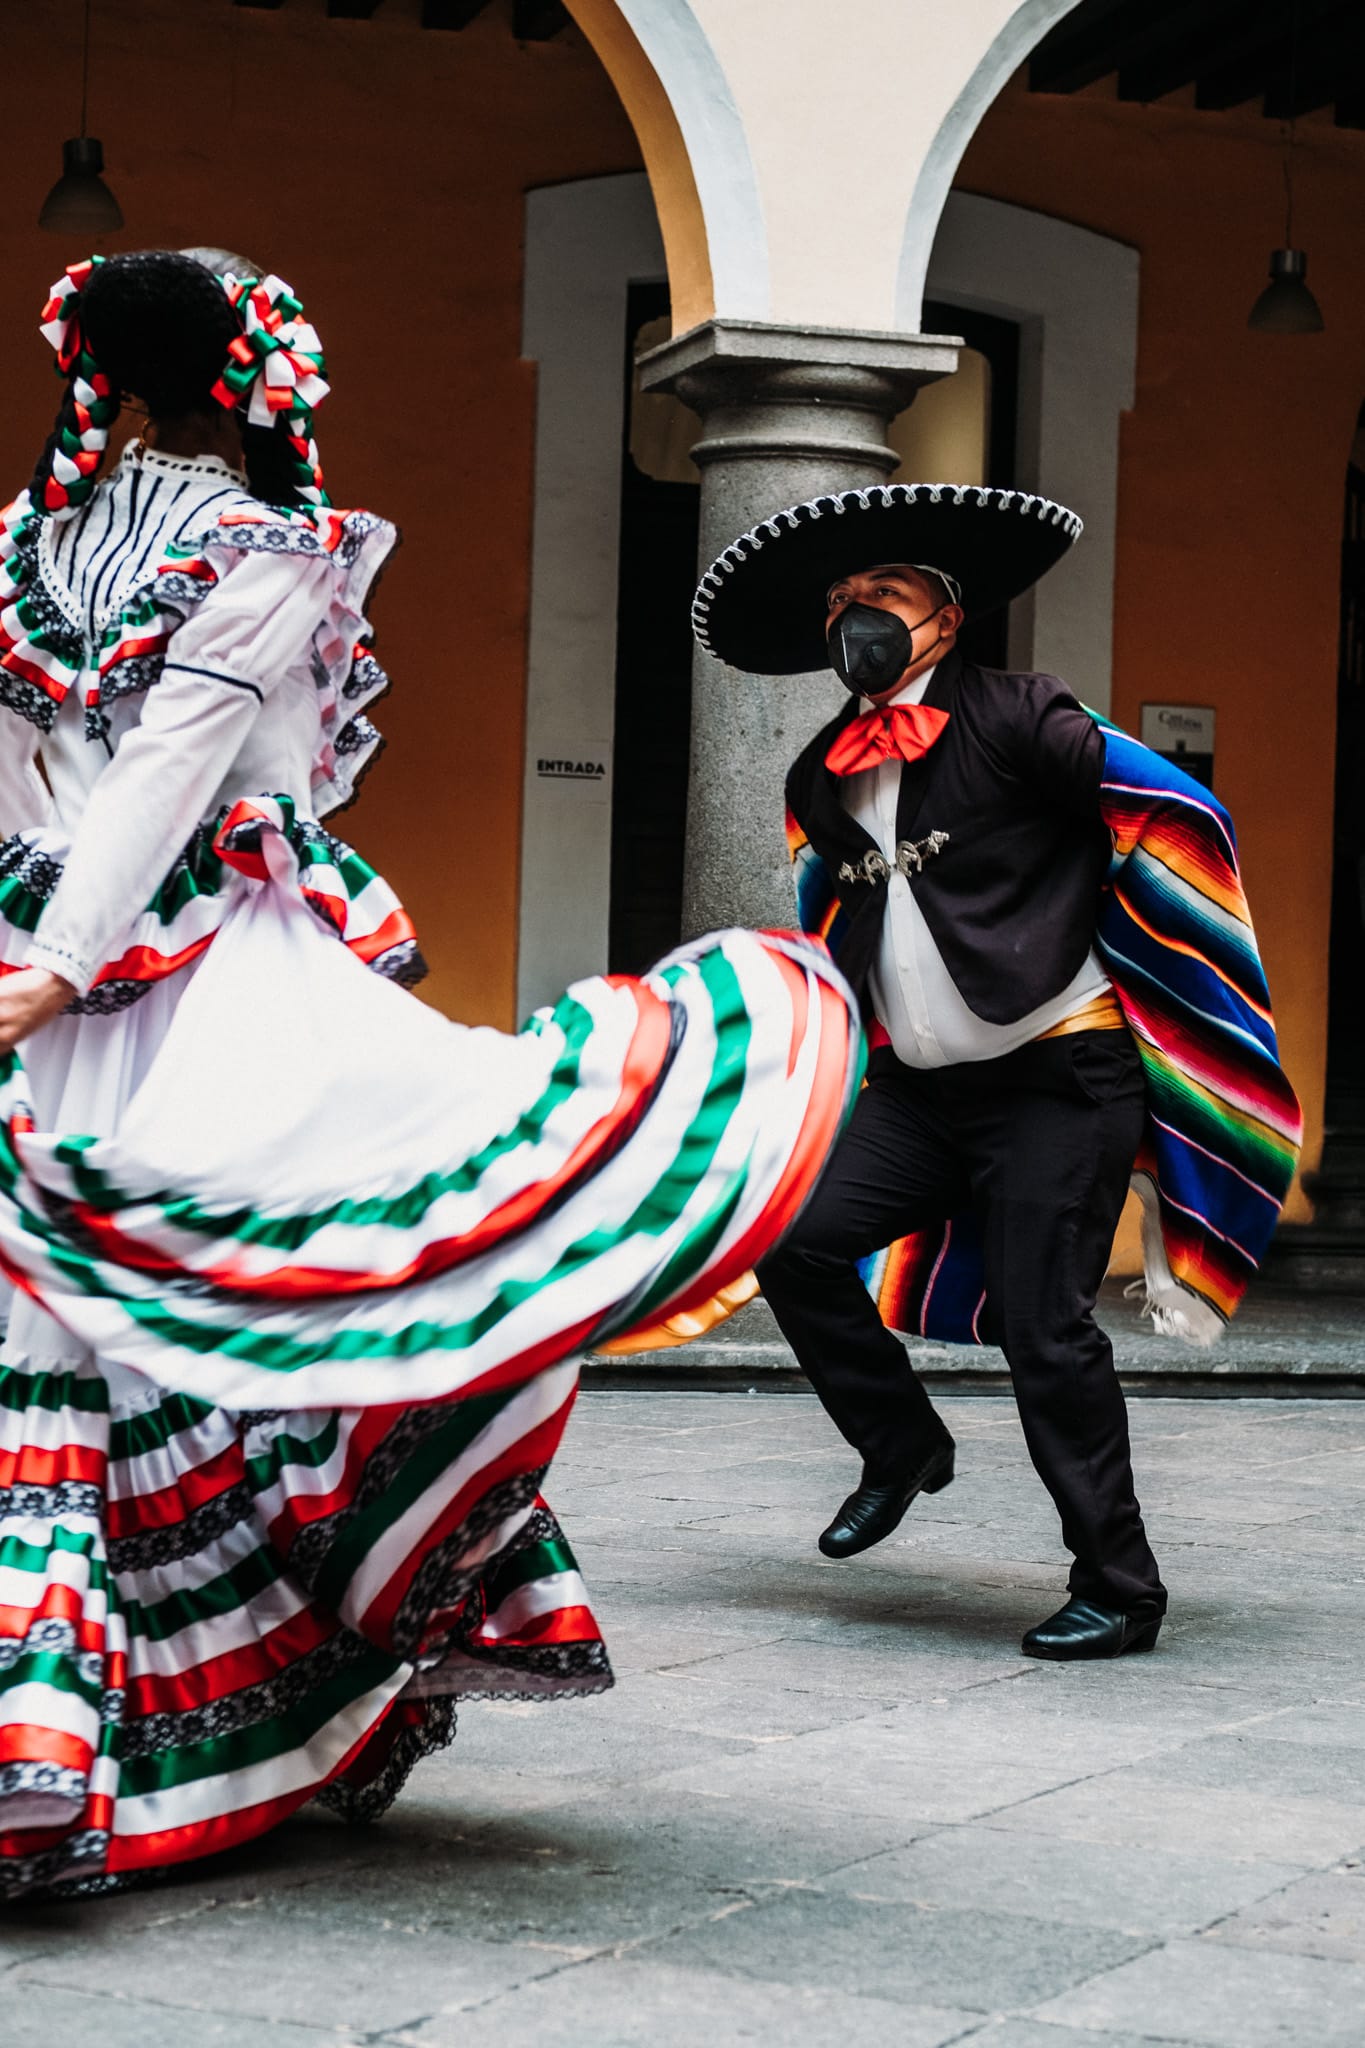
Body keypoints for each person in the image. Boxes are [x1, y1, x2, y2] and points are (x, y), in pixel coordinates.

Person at [0, 251, 861, 1899]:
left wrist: (30, 960)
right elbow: (175, 776)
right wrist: (65, 957)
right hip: (194, 977)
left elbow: (40, 787)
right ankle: (201, 1731)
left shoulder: (22, 550)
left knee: (69, 1346)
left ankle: (61, 1739)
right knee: (301, 1309)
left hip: (44, 965)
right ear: (251, 383)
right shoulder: (257, 549)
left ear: (93, 377)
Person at [690, 482, 1302, 1661]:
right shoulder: (822, 769)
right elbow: (835, 918)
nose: (855, 615)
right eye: (839, 599)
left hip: (1058, 1077)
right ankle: (900, 1442)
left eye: (884, 593)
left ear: (946, 618)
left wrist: (1146, 948)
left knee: (1045, 1325)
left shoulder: (1024, 714)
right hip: (922, 1094)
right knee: (787, 1233)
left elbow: (1170, 810)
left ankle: (1120, 1586)